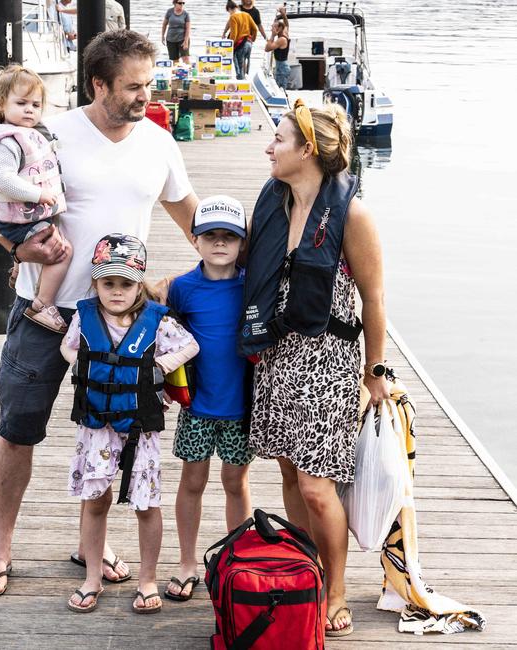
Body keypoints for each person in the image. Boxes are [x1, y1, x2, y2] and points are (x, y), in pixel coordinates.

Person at [0, 29, 198, 598]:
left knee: (114, 429)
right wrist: (14, 247)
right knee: (18, 426)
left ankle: (90, 544)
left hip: (122, 319)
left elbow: (192, 218)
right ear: (98, 84)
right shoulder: (51, 134)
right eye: (132, 86)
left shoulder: (157, 141)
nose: (145, 95)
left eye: (149, 83)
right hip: (46, 309)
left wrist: (241, 274)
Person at [239, 99, 390, 637]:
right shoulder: (273, 203)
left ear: (307, 149)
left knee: (317, 487)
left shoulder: (352, 213)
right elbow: (234, 261)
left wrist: (375, 372)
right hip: (277, 358)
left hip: (326, 361)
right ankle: (305, 569)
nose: (269, 147)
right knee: (286, 473)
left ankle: (338, 586)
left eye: (278, 138)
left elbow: (373, 299)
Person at [61, 233, 199, 614]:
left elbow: (190, 345)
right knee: (94, 500)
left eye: (125, 283)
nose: (117, 291)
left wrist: (159, 367)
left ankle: (147, 578)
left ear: (139, 283)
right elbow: (68, 345)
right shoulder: (85, 316)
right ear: (96, 283)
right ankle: (92, 576)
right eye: (108, 283)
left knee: (146, 504)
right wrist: (82, 365)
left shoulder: (157, 321)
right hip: (96, 429)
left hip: (140, 429)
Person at [163, 196, 253, 602]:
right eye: (210, 236)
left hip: (240, 409)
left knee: (235, 481)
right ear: (195, 240)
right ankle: (186, 563)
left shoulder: (253, 286)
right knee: (193, 481)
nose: (220, 244)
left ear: (241, 243)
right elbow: (170, 334)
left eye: (229, 237)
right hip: (197, 407)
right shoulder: (182, 288)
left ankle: (238, 556)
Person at [0, 64, 72, 334]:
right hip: (15, 219)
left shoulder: (31, 134)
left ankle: (22, 270)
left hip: (25, 215)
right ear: (1, 104)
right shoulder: (7, 142)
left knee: (52, 242)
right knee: (62, 253)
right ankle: (42, 305)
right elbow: (4, 180)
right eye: (21, 103)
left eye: (35, 104)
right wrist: (39, 194)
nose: (30, 109)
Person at [223, 1, 257, 80]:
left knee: (239, 68)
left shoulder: (233, 17)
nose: (229, 14)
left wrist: (230, 46)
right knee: (244, 64)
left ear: (230, 9)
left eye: (229, 12)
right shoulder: (246, 15)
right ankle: (245, 81)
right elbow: (255, 28)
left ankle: (241, 85)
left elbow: (234, 34)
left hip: (240, 45)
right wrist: (253, 39)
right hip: (248, 43)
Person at [265, 12, 290, 90]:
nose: (271, 29)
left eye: (273, 27)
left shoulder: (281, 39)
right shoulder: (285, 33)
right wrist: (283, 15)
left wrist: (272, 35)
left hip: (281, 68)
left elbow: (267, 48)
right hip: (282, 66)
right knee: (280, 89)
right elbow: (286, 25)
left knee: (280, 89)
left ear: (279, 29)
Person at [161, 0, 191, 64]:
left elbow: (188, 28)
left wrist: (186, 41)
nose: (182, 4)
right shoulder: (169, 12)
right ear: (175, 3)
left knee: (186, 58)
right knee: (175, 60)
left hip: (182, 39)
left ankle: (189, 71)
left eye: (183, 3)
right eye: (180, 3)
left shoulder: (186, 14)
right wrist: (162, 36)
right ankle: (178, 73)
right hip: (170, 39)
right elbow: (164, 24)